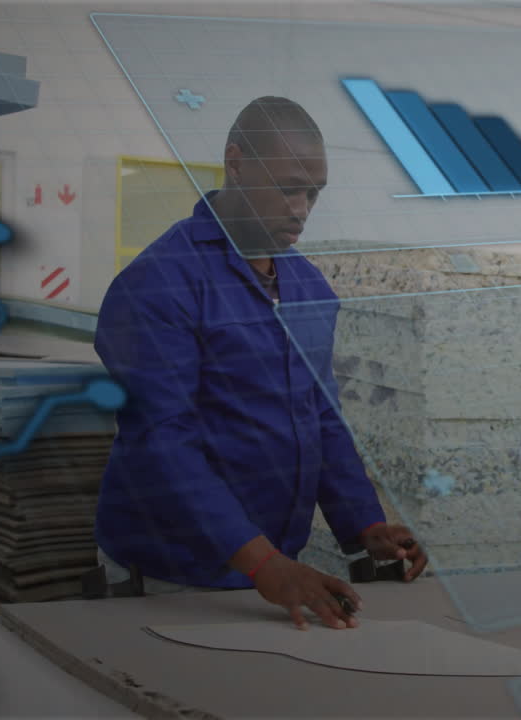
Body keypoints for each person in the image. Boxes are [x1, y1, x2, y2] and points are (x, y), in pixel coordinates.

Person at [93, 96, 426, 630]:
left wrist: (363, 525)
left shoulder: (308, 287)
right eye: (287, 188)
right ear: (236, 161)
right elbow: (162, 441)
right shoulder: (159, 283)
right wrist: (264, 563)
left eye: (313, 194)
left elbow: (320, 416)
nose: (300, 209)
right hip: (168, 576)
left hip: (273, 573)